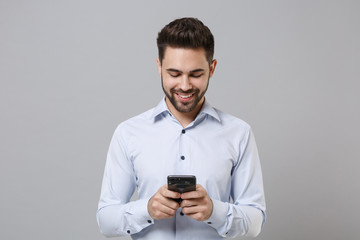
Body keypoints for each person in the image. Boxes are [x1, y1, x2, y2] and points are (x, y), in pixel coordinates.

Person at [96, 17, 266, 239]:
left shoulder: (238, 133)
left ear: (212, 68)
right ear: (159, 66)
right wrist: (146, 209)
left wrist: (214, 211)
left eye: (196, 74)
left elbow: (255, 222)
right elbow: (106, 221)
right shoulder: (128, 133)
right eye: (174, 74)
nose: (185, 86)